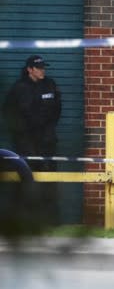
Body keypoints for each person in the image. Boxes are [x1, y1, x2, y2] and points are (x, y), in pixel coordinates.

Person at [3, 55, 62, 224]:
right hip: (26, 143)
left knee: (50, 179)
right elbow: (9, 113)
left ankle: (50, 220)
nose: (43, 70)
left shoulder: (50, 84)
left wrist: (48, 130)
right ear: (30, 69)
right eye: (39, 67)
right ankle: (25, 221)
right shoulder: (19, 88)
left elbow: (57, 109)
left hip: (47, 141)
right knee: (27, 180)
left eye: (44, 67)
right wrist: (22, 134)